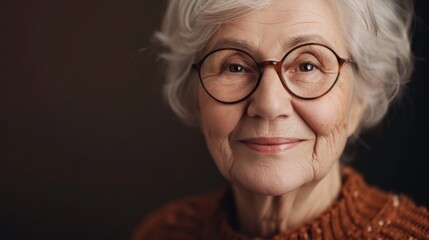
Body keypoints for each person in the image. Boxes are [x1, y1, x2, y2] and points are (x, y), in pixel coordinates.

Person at [133, 0, 429, 239]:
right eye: (235, 67)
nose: (269, 104)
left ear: (360, 97)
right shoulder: (163, 232)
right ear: (196, 93)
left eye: (308, 65)